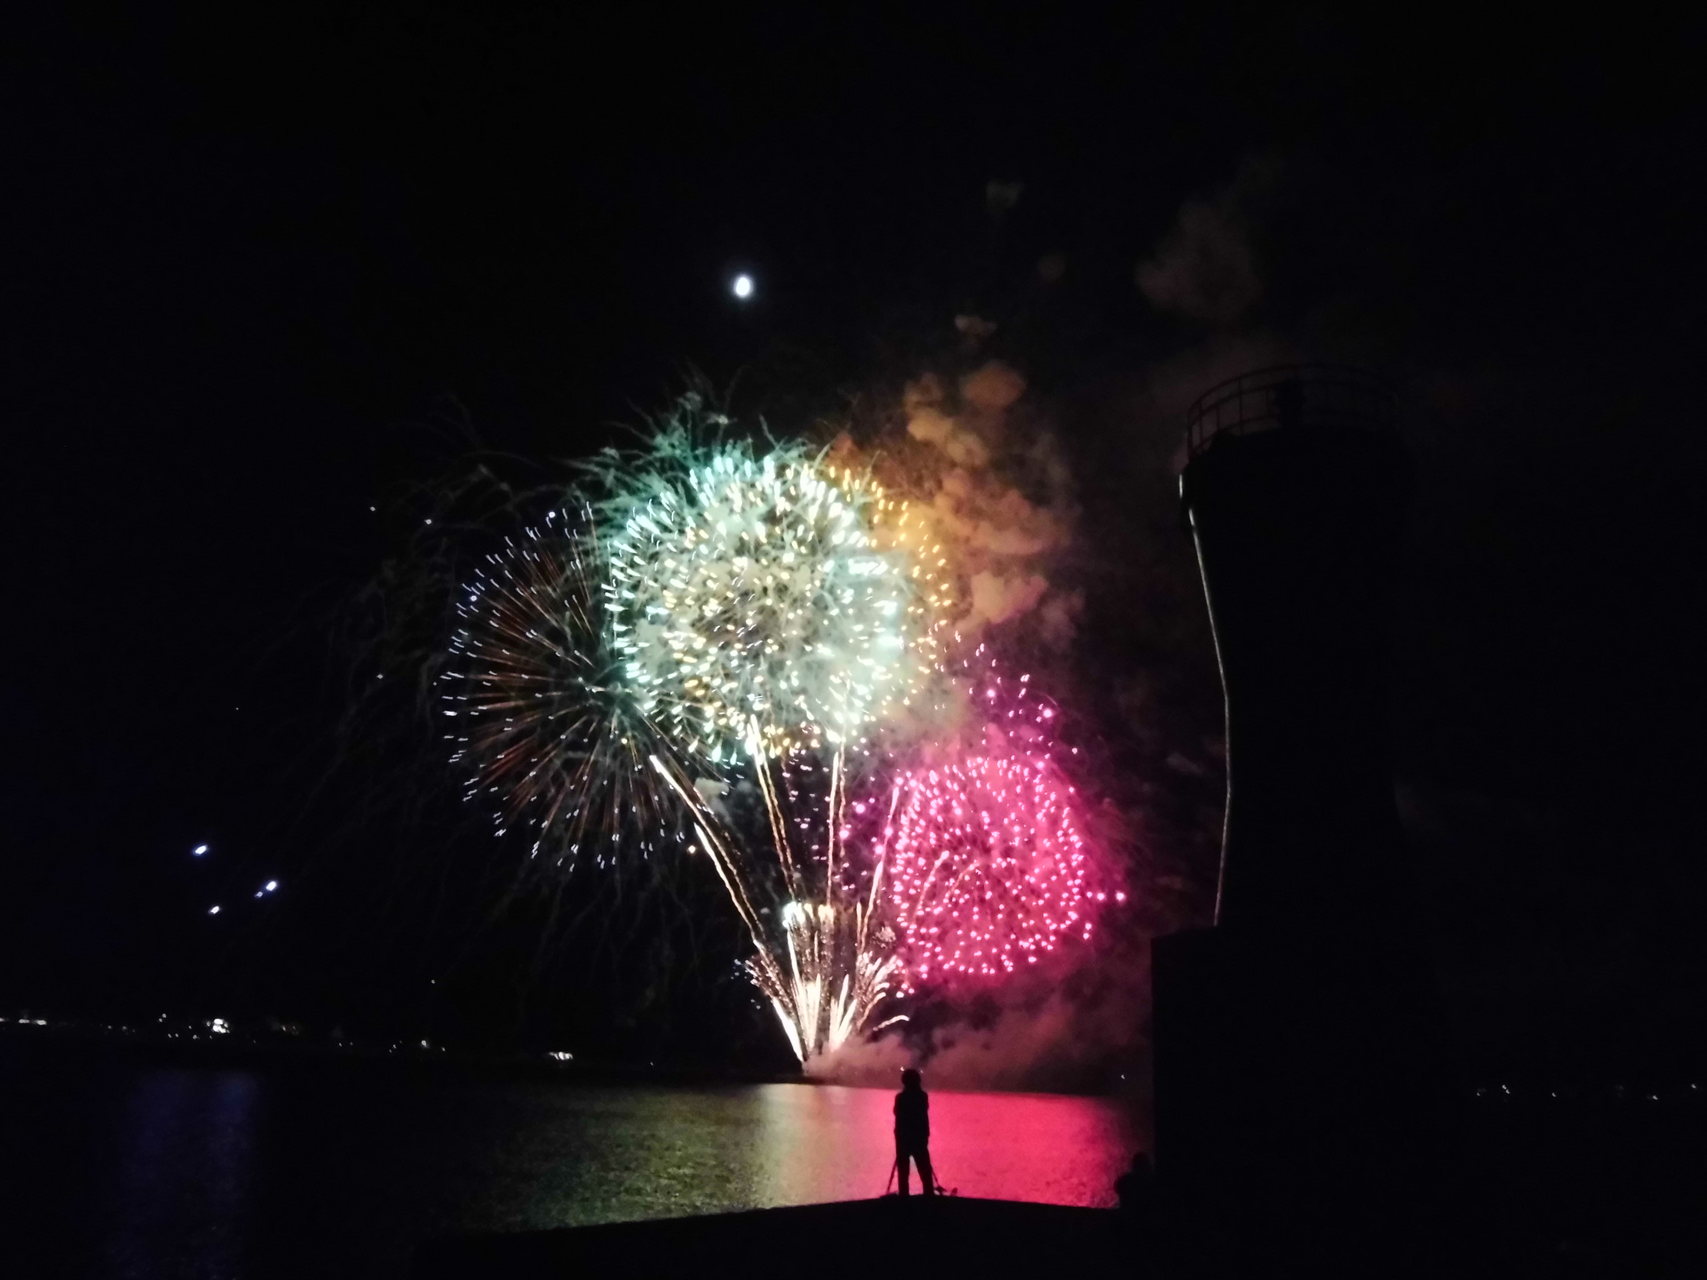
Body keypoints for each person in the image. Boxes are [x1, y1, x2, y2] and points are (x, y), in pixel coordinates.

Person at [893, 1067, 936, 1197]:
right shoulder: (922, 1097)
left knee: (903, 1173)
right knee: (925, 1171)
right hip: (919, 1139)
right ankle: (929, 1199)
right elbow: (923, 1118)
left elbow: (897, 1115)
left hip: (904, 1140)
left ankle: (904, 1199)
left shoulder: (900, 1098)